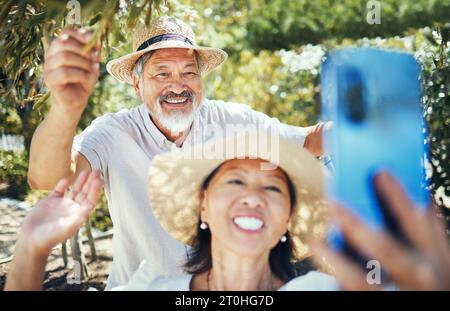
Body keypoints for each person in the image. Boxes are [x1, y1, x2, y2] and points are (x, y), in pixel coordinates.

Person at [27, 16, 329, 289]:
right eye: (162, 74)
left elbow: (310, 140)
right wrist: (65, 109)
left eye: (189, 73)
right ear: (137, 83)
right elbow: (48, 178)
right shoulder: (112, 134)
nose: (178, 86)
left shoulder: (234, 121)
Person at [7, 136, 450, 290]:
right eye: (234, 181)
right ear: (203, 204)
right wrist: (31, 249)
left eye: (273, 187)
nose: (253, 197)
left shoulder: (324, 290)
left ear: (289, 218)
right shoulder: (152, 289)